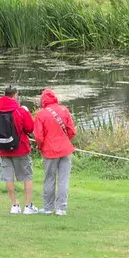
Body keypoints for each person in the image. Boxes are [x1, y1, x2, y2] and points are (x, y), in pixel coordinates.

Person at [0, 87, 37, 216]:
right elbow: (30, 127)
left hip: (4, 150)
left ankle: (14, 205)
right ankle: (28, 206)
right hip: (20, 148)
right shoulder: (20, 110)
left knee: (8, 178)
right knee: (27, 176)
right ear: (15, 95)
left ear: (4, 95)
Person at [32, 88, 77, 216]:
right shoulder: (64, 110)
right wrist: (64, 140)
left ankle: (47, 208)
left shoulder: (41, 114)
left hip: (49, 150)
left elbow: (39, 137)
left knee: (49, 179)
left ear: (43, 100)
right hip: (65, 149)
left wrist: (40, 146)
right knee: (64, 179)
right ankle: (61, 208)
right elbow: (72, 131)